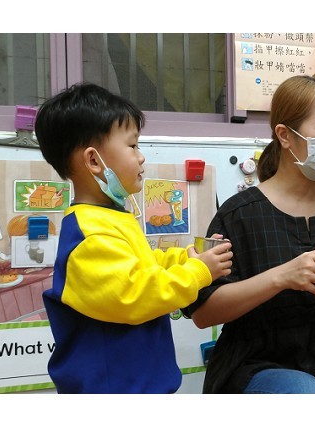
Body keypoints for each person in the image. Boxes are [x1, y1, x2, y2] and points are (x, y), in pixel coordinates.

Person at [182, 75, 315, 394]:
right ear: (285, 135)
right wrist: (282, 277)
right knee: (305, 391)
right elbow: (204, 313)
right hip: (257, 364)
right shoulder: (240, 214)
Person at [34, 82, 233, 393]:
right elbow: (135, 294)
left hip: (140, 383)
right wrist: (198, 271)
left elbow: (145, 264)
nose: (141, 157)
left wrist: (186, 257)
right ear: (94, 161)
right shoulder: (89, 234)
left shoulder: (111, 216)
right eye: (133, 146)